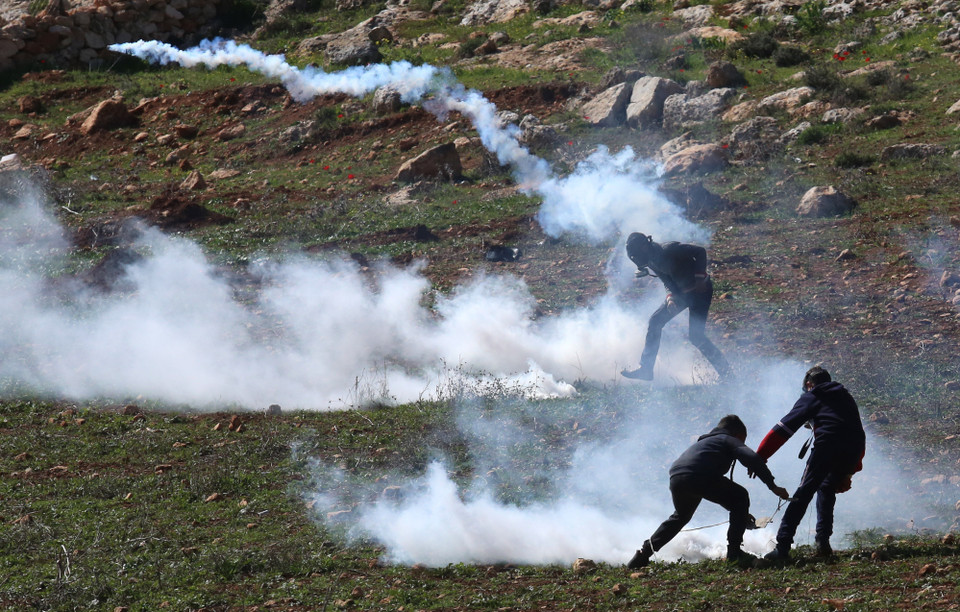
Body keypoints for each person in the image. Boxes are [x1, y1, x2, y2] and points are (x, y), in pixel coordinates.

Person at [627, 415, 791, 569]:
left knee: (680, 517)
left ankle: (643, 554)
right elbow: (753, 458)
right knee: (740, 497)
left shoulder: (705, 443)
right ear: (737, 434)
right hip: (699, 475)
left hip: (677, 477)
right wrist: (773, 486)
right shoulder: (728, 439)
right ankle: (734, 554)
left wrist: (740, 515)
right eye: (743, 439)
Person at [757, 366, 865, 561]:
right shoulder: (845, 396)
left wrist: (760, 455)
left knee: (803, 493)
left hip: (828, 446)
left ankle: (782, 547)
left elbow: (783, 429)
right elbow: (858, 433)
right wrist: (850, 471)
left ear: (809, 384)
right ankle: (823, 542)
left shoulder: (813, 395)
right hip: (853, 448)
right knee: (826, 488)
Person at [621, 232, 730, 382]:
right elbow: (667, 281)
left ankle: (727, 374)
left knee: (696, 336)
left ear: (644, 247)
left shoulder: (669, 249)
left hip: (701, 292)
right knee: (655, 322)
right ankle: (646, 369)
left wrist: (699, 278)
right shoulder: (651, 260)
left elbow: (700, 251)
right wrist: (671, 298)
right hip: (682, 296)